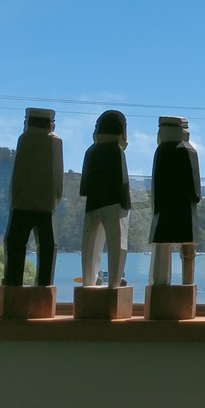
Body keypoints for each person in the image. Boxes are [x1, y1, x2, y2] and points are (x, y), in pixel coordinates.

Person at [3, 108, 63, 287]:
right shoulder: (55, 142)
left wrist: (14, 199)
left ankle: (13, 284)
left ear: (28, 122)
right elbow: (58, 178)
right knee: (47, 246)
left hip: (22, 204)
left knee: (15, 243)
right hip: (46, 205)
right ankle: (44, 285)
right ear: (51, 123)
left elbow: (17, 175)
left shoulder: (25, 139)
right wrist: (55, 200)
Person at [79, 110, 131, 288]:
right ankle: (115, 284)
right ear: (121, 131)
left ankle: (88, 281)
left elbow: (84, 184)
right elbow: (122, 181)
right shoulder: (117, 151)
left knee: (90, 247)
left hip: (92, 204)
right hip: (115, 204)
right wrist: (126, 203)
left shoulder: (91, 151)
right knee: (118, 245)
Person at [148, 116, 200, 286]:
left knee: (162, 248)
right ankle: (187, 284)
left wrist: (156, 206)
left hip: (163, 209)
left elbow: (156, 184)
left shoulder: (161, 151)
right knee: (187, 248)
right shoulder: (189, 150)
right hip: (185, 210)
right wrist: (195, 198)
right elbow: (196, 189)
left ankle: (159, 285)